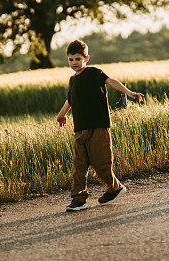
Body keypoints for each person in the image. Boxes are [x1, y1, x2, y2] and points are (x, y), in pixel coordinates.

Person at [57, 39, 145, 212]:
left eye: (77, 59)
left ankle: (115, 188)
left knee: (101, 164)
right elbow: (70, 99)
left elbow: (111, 81)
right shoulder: (72, 80)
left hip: (98, 127)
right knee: (79, 165)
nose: (74, 63)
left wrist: (128, 92)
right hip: (80, 129)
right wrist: (62, 114)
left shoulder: (94, 73)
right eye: (70, 59)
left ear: (86, 58)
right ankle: (79, 199)